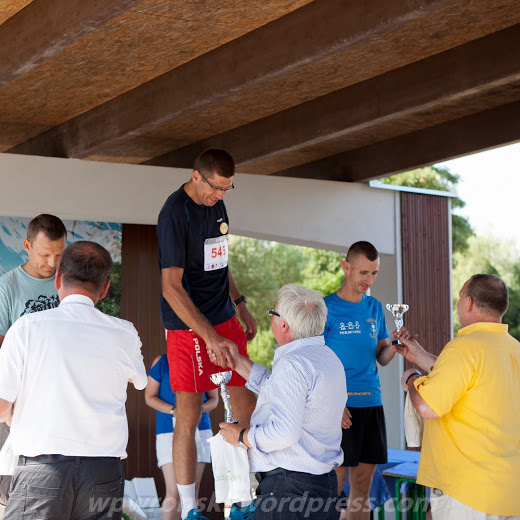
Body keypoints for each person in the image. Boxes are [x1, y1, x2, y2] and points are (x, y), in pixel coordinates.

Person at [0, 241, 147, 520]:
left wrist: (13, 415)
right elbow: (139, 381)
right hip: (103, 473)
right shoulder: (124, 332)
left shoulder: (26, 328)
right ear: (105, 288)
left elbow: (1, 406)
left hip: (41, 471)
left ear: (58, 278)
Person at [157, 148, 257, 520]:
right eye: (216, 187)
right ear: (196, 175)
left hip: (224, 317)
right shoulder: (173, 213)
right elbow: (171, 287)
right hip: (187, 323)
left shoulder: (218, 205)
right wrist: (209, 337)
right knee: (189, 412)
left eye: (227, 189)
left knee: (246, 406)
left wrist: (239, 302)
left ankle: (245, 498)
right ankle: (189, 509)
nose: (220, 195)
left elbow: (220, 259)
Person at [218, 284, 346, 520]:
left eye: (272, 312)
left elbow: (284, 434)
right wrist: (236, 361)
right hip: (320, 484)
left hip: (289, 489)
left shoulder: (293, 364)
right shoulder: (328, 358)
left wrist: (241, 436)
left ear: (284, 325)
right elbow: (278, 389)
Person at [397, 274, 520, 520]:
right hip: (510, 490)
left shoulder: (463, 348)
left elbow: (428, 407)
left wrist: (412, 379)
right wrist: (420, 356)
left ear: (469, 303)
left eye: (460, 296)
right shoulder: (514, 348)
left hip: (466, 493)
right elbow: (471, 382)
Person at [323, 241, 408, 520]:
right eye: (363, 273)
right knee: (332, 488)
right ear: (345, 267)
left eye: (374, 274)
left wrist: (394, 345)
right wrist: (331, 405)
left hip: (371, 404)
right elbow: (316, 364)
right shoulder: (325, 308)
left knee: (362, 488)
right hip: (340, 410)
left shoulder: (374, 307)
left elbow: (381, 357)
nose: (368, 280)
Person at [0, 213, 67, 517]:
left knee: (55, 488)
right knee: (10, 488)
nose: (53, 263)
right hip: (16, 405)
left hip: (60, 403)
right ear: (27, 246)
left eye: (59, 254)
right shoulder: (7, 287)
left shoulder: (68, 283)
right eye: (44, 254)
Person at [145, 353, 218, 520]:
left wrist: (194, 410)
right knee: (173, 492)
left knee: (193, 490)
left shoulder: (204, 361)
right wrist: (175, 411)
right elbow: (149, 397)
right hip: (167, 431)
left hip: (200, 429)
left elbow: (214, 399)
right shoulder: (162, 361)